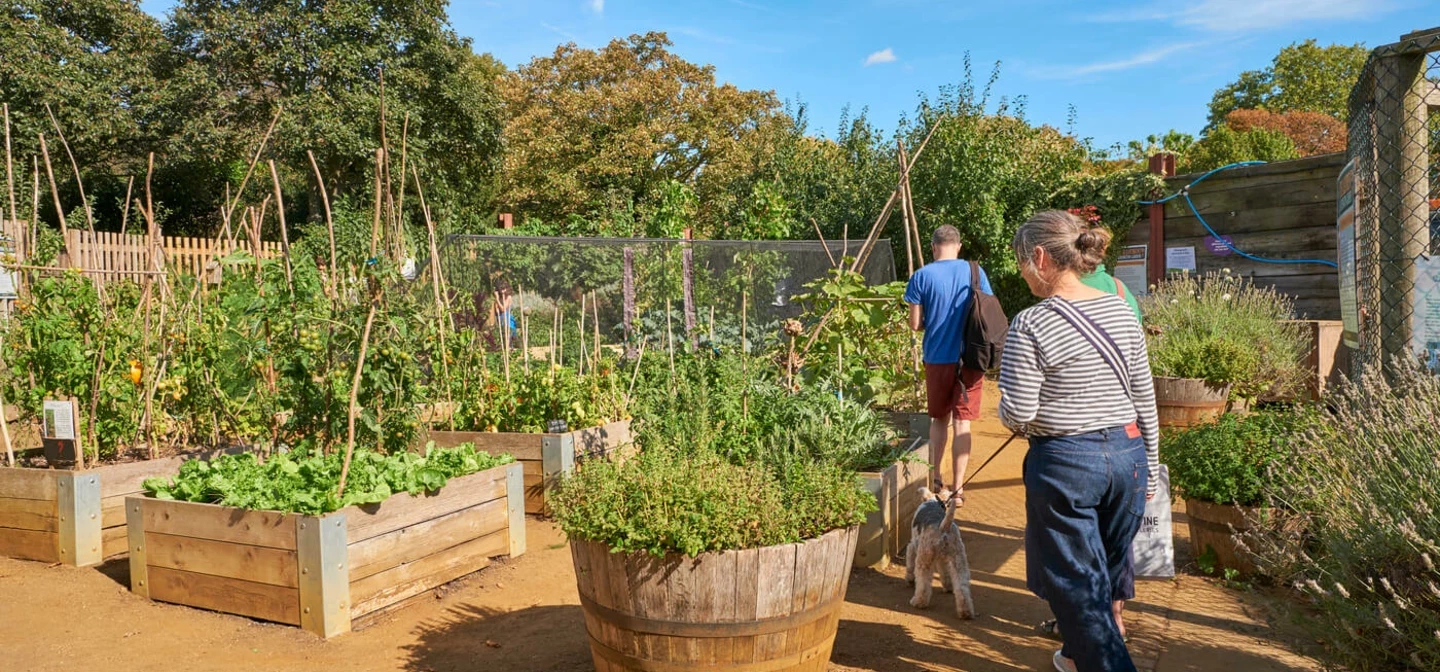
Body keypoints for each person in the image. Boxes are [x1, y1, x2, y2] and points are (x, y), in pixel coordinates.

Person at [998, 210, 1159, 672]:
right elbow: (1143, 394)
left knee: (1077, 587)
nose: (1021, 271)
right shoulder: (1120, 309)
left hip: (1067, 463)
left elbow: (1019, 414)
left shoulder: (1031, 324)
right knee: (1105, 574)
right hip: (1128, 457)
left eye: (1021, 261)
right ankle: (1073, 657)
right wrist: (1150, 462)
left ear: (1042, 257)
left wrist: (1008, 406)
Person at [1039, 261, 1142, 644]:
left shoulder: (1052, 302)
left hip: (1069, 446)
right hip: (1124, 440)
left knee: (1075, 551)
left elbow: (1022, 406)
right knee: (1115, 544)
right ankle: (1116, 618)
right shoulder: (1119, 292)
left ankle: (1076, 635)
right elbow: (1137, 369)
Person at [904, 224, 993, 501]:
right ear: (959, 245)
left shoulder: (920, 276)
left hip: (937, 357)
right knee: (963, 423)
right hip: (970, 358)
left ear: (933, 247)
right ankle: (958, 488)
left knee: (939, 419)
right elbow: (987, 311)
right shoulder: (975, 272)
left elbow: (915, 324)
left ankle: (936, 480)